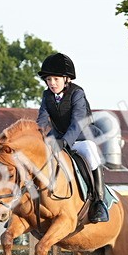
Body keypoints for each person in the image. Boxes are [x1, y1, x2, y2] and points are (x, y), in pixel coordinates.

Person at [35, 52, 109, 223]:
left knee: (90, 153)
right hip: (58, 137)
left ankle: (99, 202)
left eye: (56, 79)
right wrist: (35, 138)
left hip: (82, 136)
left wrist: (64, 142)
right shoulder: (47, 96)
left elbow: (77, 122)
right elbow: (41, 120)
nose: (52, 83)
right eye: (48, 80)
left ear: (66, 79)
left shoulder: (77, 94)